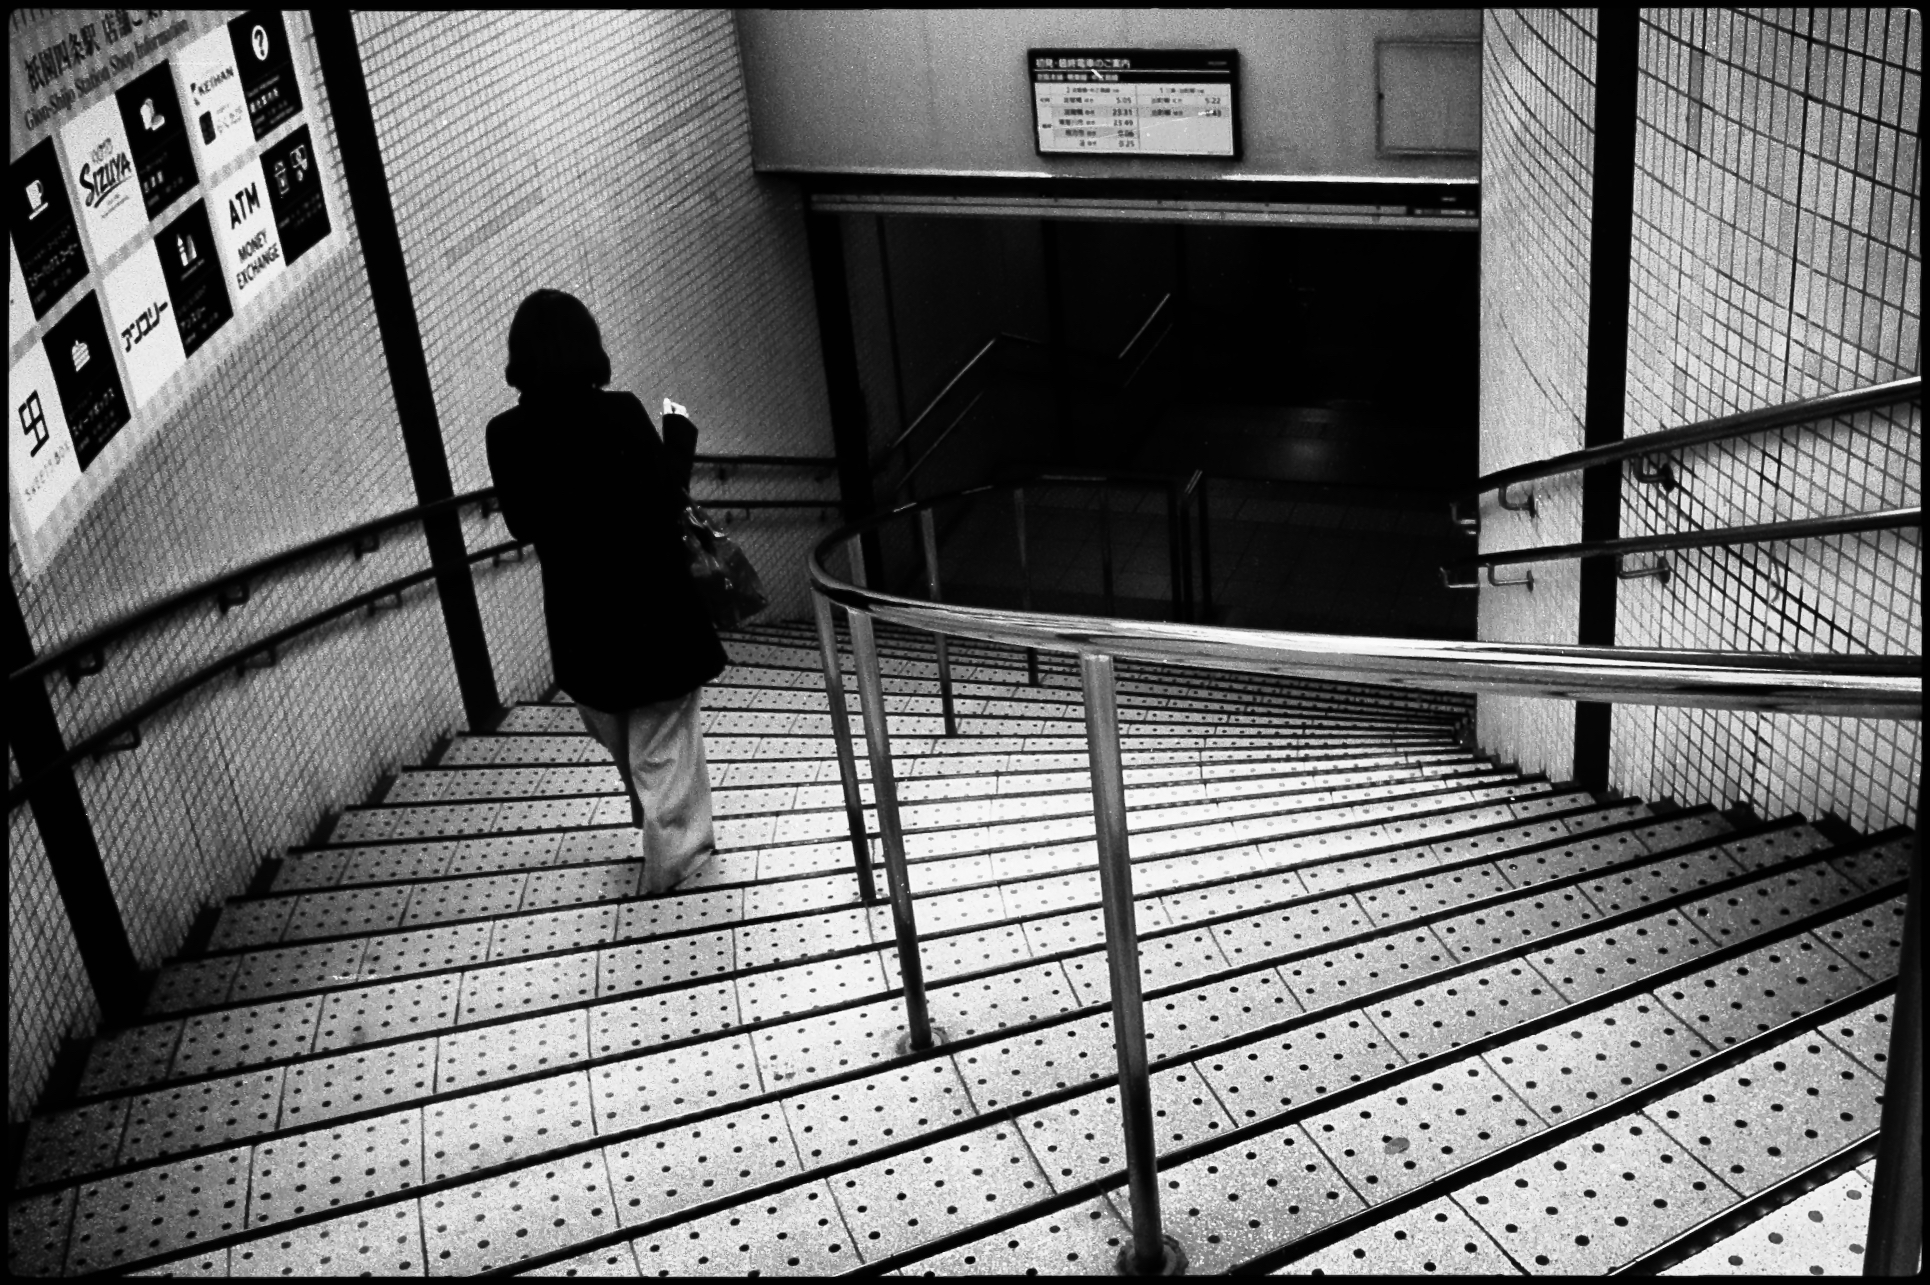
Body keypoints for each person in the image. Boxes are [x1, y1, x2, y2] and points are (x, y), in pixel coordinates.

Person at [485, 289, 727, 895]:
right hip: (654, 608)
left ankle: (672, 833)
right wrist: (678, 439)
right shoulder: (620, 413)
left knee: (635, 735)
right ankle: (671, 865)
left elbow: (521, 523)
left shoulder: (506, 434)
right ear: (588, 346)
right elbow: (666, 496)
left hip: (581, 617)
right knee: (661, 739)